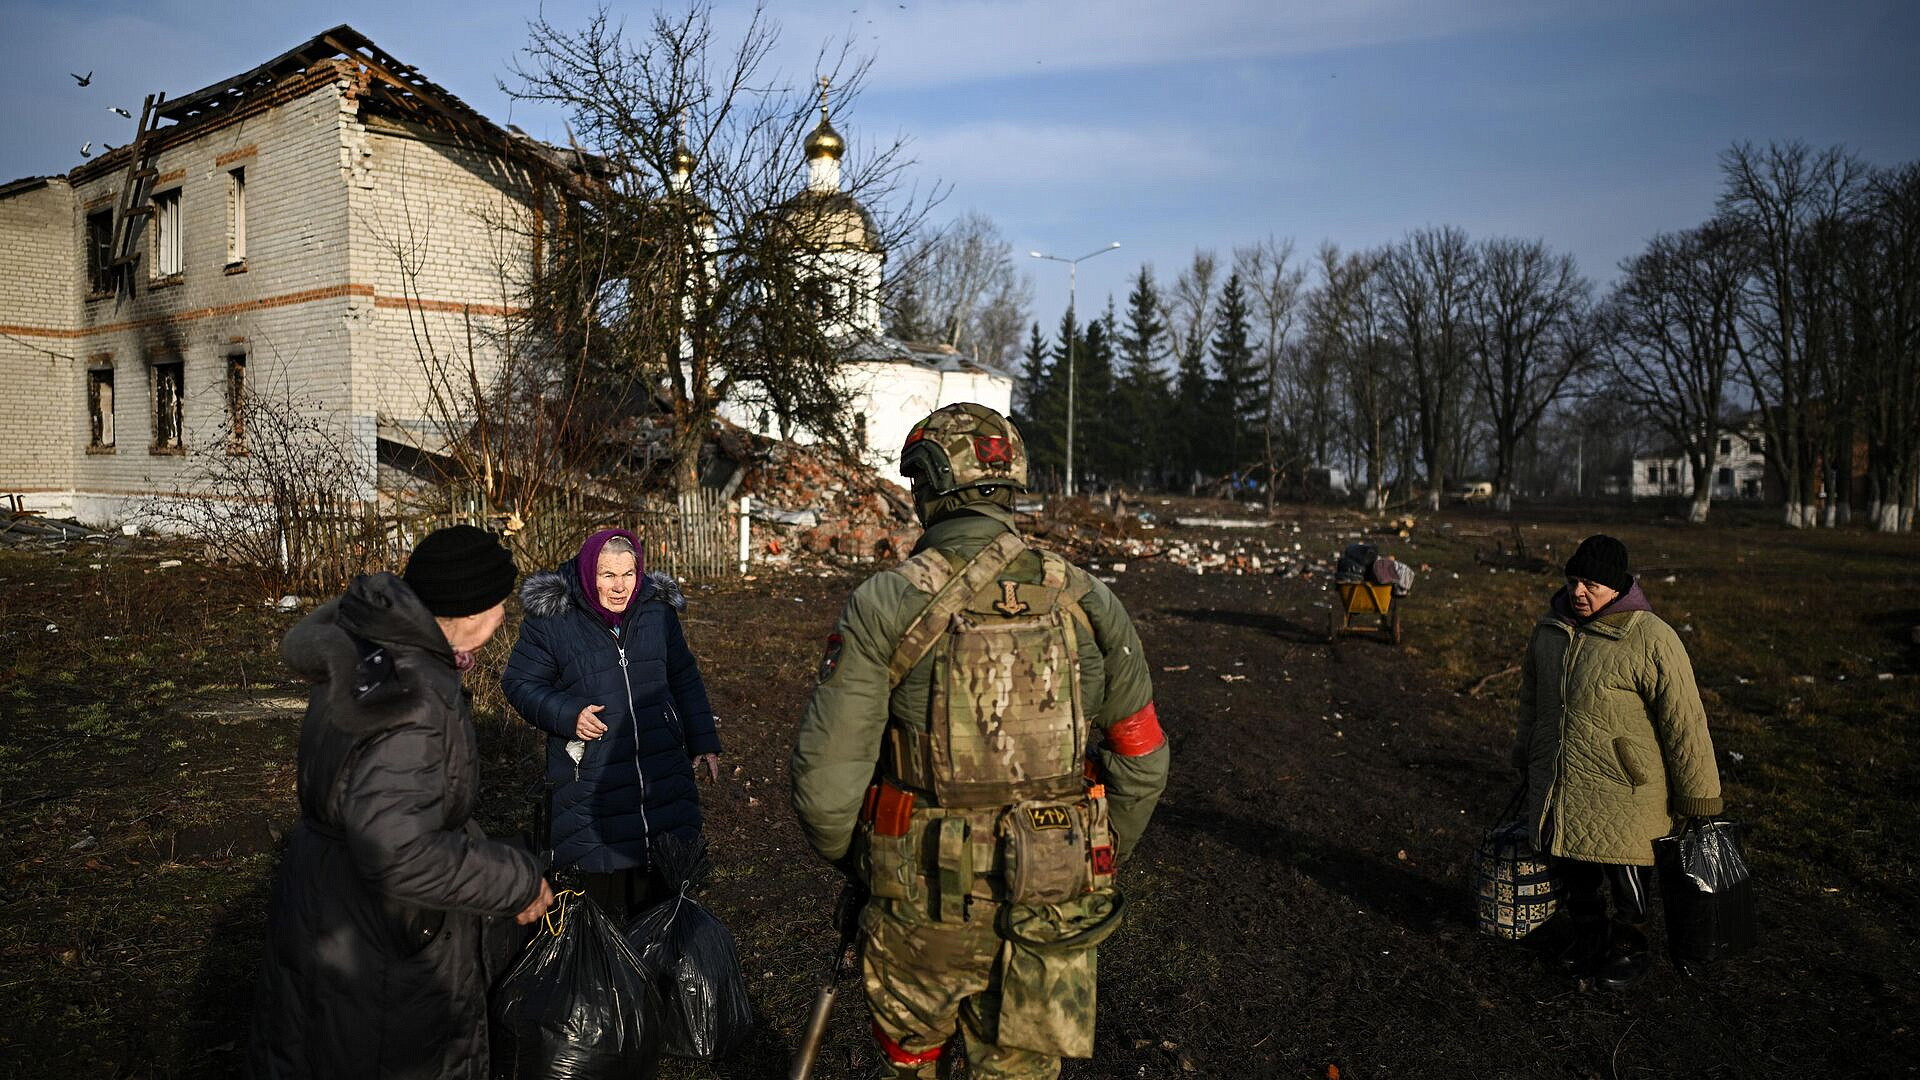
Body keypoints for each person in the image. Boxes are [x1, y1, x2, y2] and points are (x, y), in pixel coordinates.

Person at [790, 403, 1170, 1079]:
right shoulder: (1089, 601)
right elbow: (1141, 758)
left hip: (920, 902)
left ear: (929, 487)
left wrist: (872, 865)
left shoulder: (885, 603)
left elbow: (824, 790)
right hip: (1052, 904)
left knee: (912, 1060)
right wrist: (1085, 860)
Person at [248, 524, 555, 1079]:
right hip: (380, 941)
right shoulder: (414, 699)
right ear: (473, 609)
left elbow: (382, 798)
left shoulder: (373, 656)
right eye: (501, 602)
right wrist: (517, 879)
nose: (506, 615)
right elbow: (399, 850)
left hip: (330, 905)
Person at [1512, 534, 1724, 988]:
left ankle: (1631, 949)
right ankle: (1588, 939)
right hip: (1562, 779)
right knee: (1574, 867)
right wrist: (1524, 749)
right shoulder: (1551, 631)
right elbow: (1532, 699)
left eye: (1590, 583)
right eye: (1573, 581)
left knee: (1626, 874)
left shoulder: (1650, 638)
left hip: (1627, 789)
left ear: (1616, 587)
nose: (1578, 592)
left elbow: (1685, 722)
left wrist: (1700, 796)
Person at [502, 528, 721, 923]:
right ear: (589, 574)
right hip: (592, 777)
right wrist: (568, 714)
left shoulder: (656, 611)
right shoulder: (554, 620)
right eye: (608, 576)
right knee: (599, 907)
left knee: (664, 896)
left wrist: (702, 739)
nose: (620, 587)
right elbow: (519, 683)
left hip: (660, 767)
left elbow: (683, 674)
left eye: (628, 574)